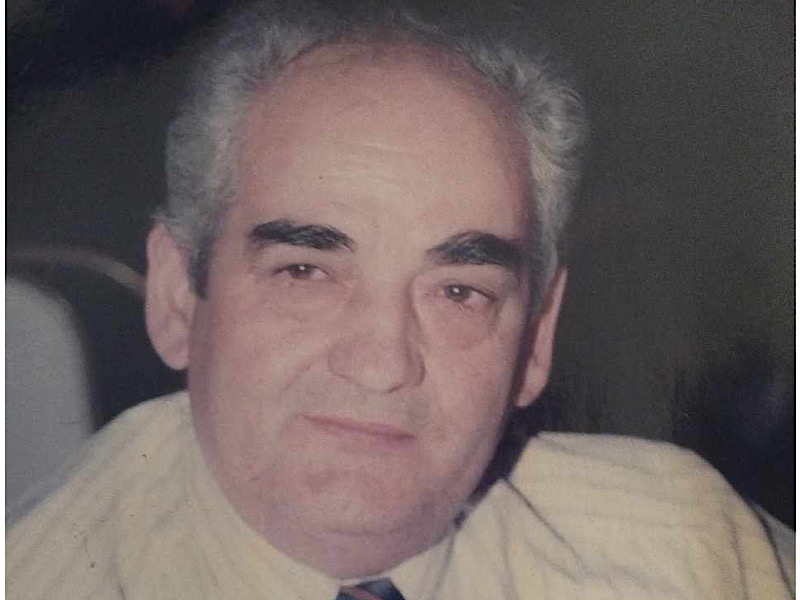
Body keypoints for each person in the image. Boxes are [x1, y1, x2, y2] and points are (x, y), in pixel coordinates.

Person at [6, 1, 794, 598]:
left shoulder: (693, 553)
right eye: (305, 272)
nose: (382, 364)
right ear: (179, 296)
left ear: (536, 338)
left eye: (458, 291)